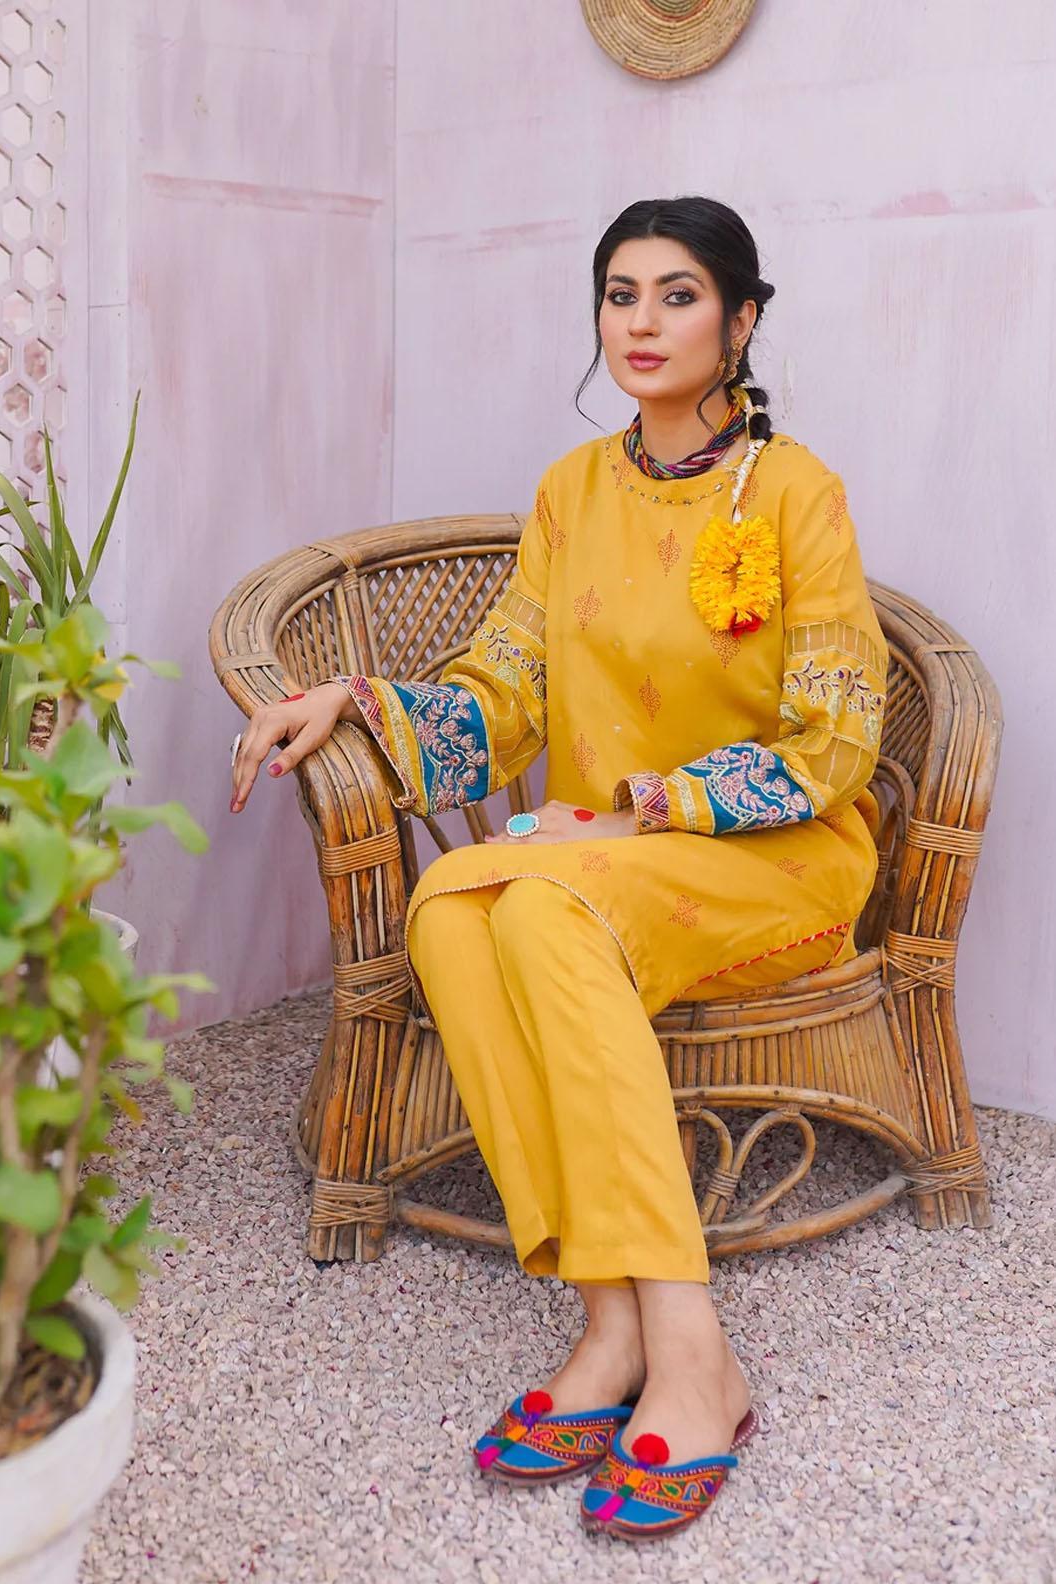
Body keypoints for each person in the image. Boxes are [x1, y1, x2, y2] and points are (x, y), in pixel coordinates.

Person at [229, 196, 887, 1542]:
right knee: (456, 908)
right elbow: (507, 695)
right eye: (619, 294)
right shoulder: (570, 490)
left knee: (537, 907)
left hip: (772, 859)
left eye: (677, 295)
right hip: (594, 869)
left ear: (740, 323)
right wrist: (355, 699)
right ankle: (611, 1322)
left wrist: (649, 810)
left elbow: (835, 738)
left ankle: (691, 1353)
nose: (641, 322)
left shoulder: (796, 492)